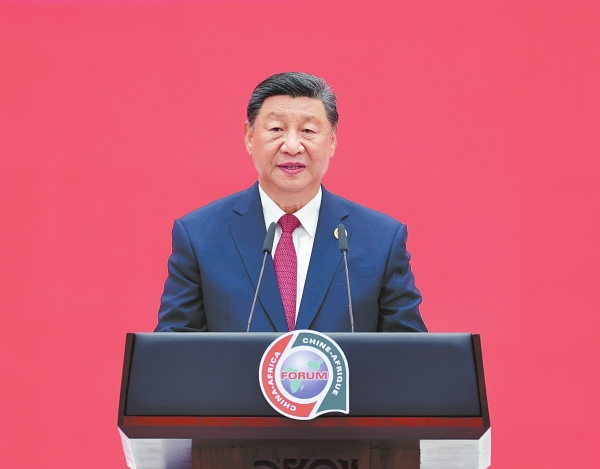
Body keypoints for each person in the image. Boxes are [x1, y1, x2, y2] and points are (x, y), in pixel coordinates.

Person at [155, 72, 427, 333]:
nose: (292, 146)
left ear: (332, 140)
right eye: (276, 129)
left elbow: (409, 352)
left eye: (308, 130)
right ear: (250, 137)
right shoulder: (200, 236)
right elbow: (174, 348)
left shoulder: (381, 239)